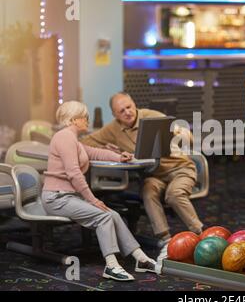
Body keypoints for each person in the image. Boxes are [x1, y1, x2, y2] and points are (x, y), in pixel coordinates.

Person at [42, 101, 157, 281]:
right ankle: (111, 266)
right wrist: (92, 200)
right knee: (103, 216)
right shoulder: (64, 137)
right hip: (57, 198)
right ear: (74, 119)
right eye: (84, 117)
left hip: (67, 197)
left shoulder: (73, 140)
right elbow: (73, 173)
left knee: (113, 215)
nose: (87, 119)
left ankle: (141, 259)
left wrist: (120, 157)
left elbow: (95, 152)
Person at [81, 92, 203, 260]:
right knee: (147, 191)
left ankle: (200, 233)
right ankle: (165, 240)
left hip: (179, 168)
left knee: (174, 194)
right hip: (154, 174)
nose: (127, 112)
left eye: (129, 107)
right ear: (115, 115)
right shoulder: (113, 129)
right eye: (121, 111)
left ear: (134, 104)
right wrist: (107, 148)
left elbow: (186, 136)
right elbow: (87, 141)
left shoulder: (153, 117)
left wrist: (180, 133)